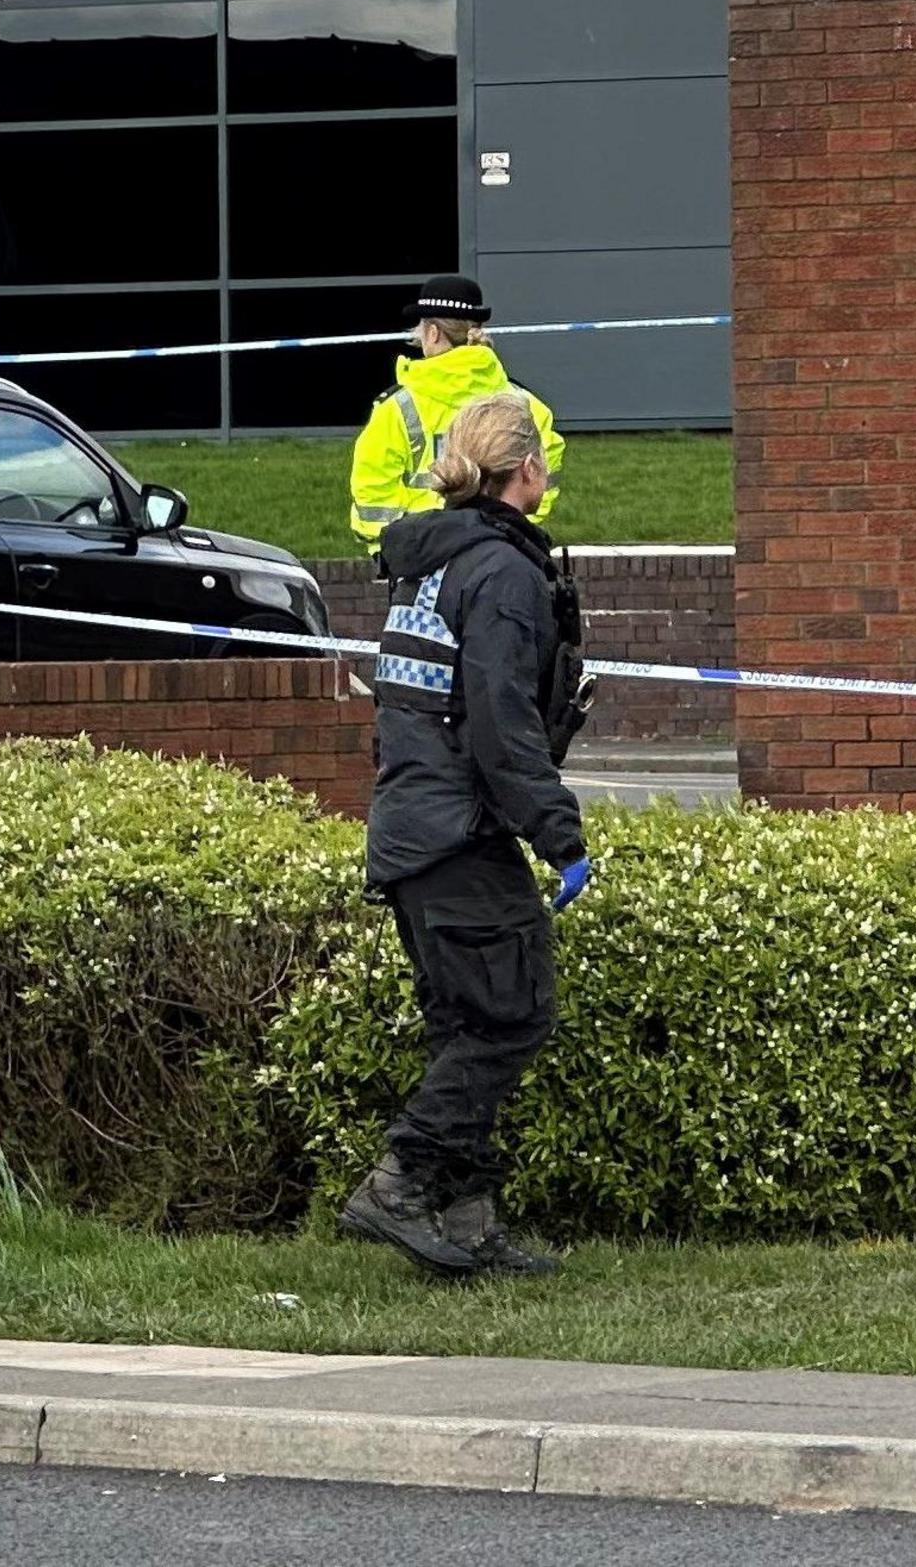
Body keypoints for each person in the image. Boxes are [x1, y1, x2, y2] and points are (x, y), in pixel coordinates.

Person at [338, 388, 594, 1278]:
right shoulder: (505, 575)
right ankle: (401, 1181)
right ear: (528, 468)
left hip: (412, 826)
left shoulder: (430, 561)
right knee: (513, 1015)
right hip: (456, 834)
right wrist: (559, 833)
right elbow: (497, 722)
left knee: (465, 1024)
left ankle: (469, 1219)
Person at [346, 274, 567, 550]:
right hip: (503, 550)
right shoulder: (528, 405)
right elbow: (544, 477)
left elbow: (372, 500)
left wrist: (399, 549)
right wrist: (516, 524)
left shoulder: (396, 409)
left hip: (420, 560)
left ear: (433, 333)